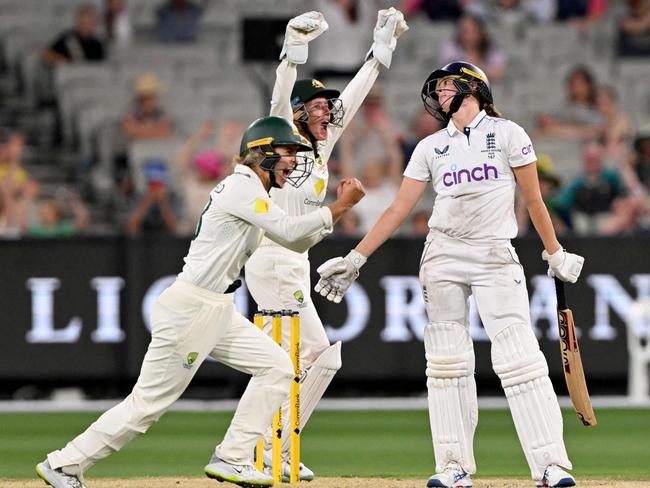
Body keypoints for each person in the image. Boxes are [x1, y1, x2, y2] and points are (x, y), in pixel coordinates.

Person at [35, 115, 365, 488]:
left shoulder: (253, 190)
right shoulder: (242, 188)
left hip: (218, 308)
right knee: (147, 405)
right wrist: (341, 207)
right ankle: (63, 464)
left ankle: (232, 457)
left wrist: (332, 213)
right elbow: (290, 230)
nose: (293, 161)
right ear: (261, 154)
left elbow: (294, 241)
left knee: (277, 367)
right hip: (193, 310)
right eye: (287, 151)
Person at [314, 61, 584, 488]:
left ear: (472, 90)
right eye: (437, 90)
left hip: (495, 253)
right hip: (442, 254)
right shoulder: (430, 147)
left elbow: (534, 201)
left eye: (445, 88)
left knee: (520, 357)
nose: (439, 97)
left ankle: (550, 466)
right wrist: (355, 258)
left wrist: (555, 252)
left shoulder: (509, 133)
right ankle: (453, 467)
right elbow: (398, 210)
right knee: (446, 363)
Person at [243, 9, 408, 482]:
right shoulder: (278, 139)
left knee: (317, 358)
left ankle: (272, 448)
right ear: (296, 114)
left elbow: (352, 101)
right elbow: (279, 96)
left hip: (295, 262)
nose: (325, 113)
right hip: (271, 260)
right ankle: (267, 450)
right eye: (315, 107)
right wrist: (294, 49)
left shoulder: (319, 149)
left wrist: (380, 52)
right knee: (301, 359)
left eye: (324, 108)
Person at [42, 3, 106, 66]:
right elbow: (46, 55)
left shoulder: (97, 44)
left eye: (91, 21)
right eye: (84, 21)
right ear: (78, 21)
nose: (88, 25)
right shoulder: (68, 38)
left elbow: (101, 65)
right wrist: (63, 61)